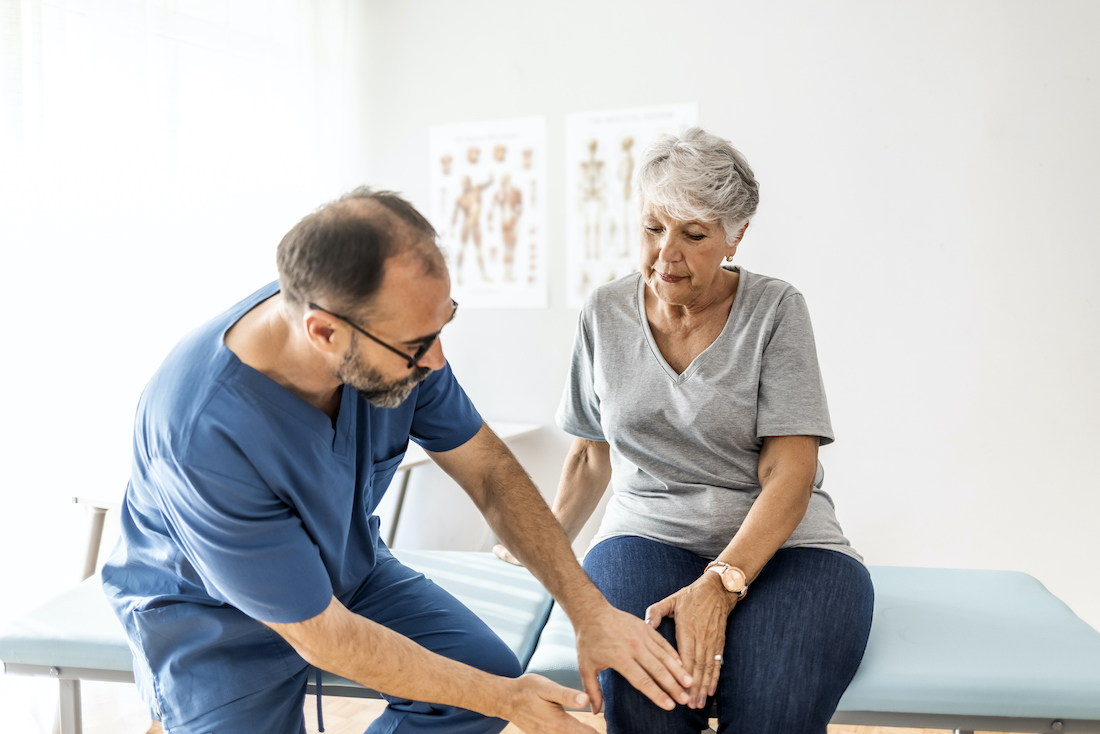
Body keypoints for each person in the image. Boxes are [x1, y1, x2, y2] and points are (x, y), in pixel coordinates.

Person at [101, 188, 695, 734]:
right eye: (417, 346)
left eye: (443, 325)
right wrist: (508, 701)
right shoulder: (203, 429)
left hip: (346, 571)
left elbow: (487, 471)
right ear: (325, 332)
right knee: (491, 689)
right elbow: (323, 635)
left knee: (481, 674)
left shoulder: (395, 339)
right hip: (212, 619)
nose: (436, 361)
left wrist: (588, 611)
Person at [496, 128, 874, 733]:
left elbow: (789, 470)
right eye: (652, 228)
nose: (665, 255)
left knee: (771, 711)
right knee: (650, 708)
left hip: (788, 551)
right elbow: (591, 458)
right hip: (645, 538)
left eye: (693, 235)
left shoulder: (776, 311)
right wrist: (543, 544)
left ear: (735, 236)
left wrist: (720, 585)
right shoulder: (604, 312)